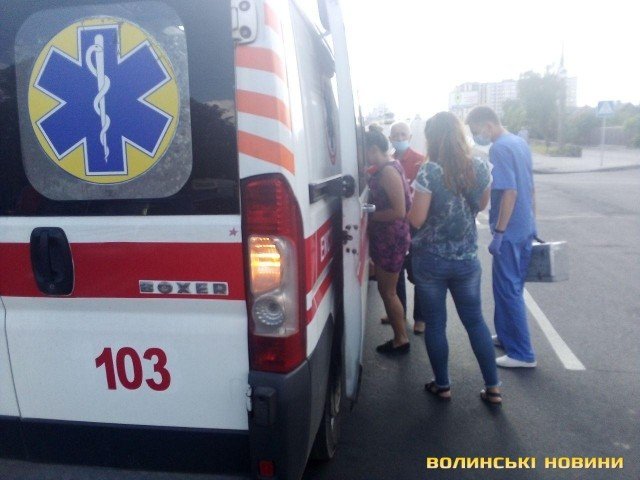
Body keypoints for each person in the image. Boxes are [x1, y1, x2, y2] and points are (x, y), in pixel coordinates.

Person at [407, 112, 501, 404]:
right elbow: (481, 205)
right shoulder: (480, 167)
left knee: (435, 324)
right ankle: (493, 388)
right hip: (467, 260)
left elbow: (417, 219)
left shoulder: (429, 171)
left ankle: (443, 385)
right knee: (475, 322)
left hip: (431, 260)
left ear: (432, 138)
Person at [466, 106, 537, 368]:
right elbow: (530, 187)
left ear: (487, 125)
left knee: (508, 290)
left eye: (476, 131)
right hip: (523, 226)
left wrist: (499, 232)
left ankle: (522, 353)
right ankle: (508, 337)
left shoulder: (499, 148)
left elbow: (510, 192)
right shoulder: (519, 143)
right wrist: (533, 221)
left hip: (510, 230)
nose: (477, 136)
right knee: (510, 287)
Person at [366, 125, 412, 355]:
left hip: (391, 239)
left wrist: (368, 216)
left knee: (388, 292)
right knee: (387, 290)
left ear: (374, 149)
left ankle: (400, 339)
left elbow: (399, 211)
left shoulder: (388, 172)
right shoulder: (387, 167)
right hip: (389, 238)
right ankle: (399, 335)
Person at [388, 121, 426, 334]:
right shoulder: (389, 161)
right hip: (395, 225)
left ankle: (420, 317)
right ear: (390, 138)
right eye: (396, 134)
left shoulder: (421, 161)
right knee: (397, 270)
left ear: (410, 137)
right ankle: (398, 313)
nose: (400, 137)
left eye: (403, 134)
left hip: (416, 224)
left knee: (418, 271)